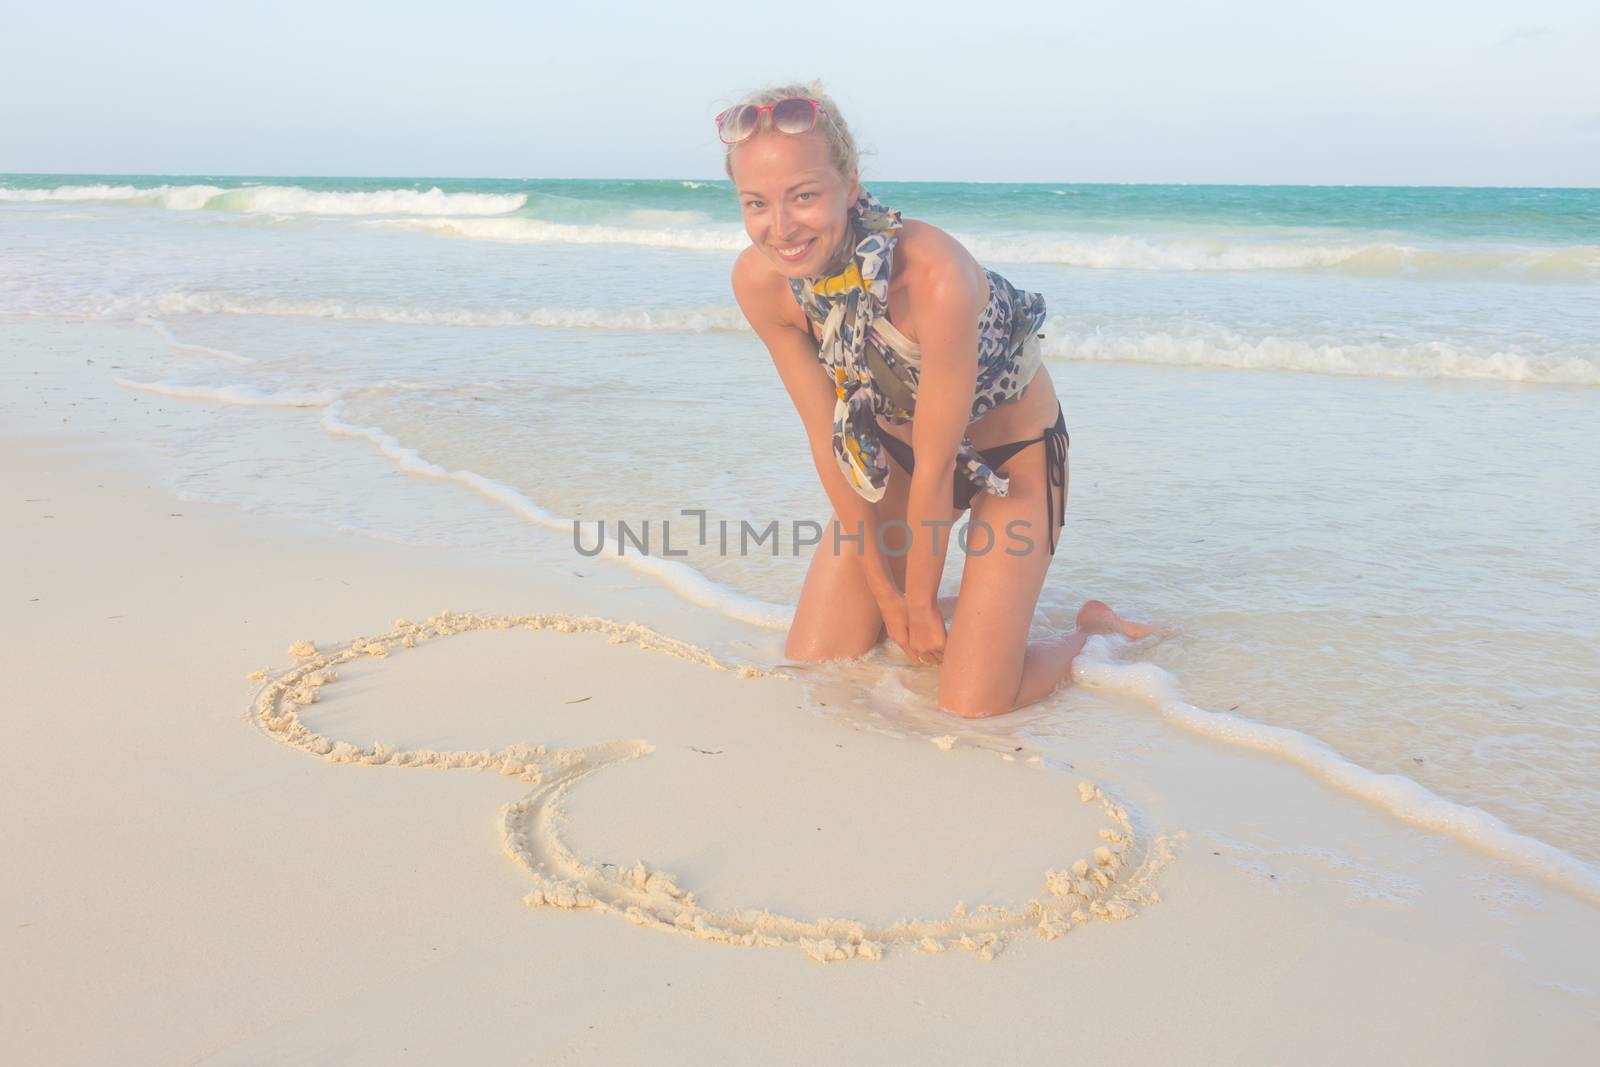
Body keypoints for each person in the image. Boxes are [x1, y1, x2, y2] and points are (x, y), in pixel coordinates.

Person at [724, 81, 1151, 718]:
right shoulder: (762, 285)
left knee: (974, 705)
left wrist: (918, 603)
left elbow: (938, 459)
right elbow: (829, 442)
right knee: (818, 661)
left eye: (804, 196)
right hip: (896, 456)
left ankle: (1093, 631)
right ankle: (976, 620)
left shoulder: (935, 276)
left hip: (1015, 464)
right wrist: (887, 596)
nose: (780, 228)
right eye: (757, 203)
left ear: (850, 182)